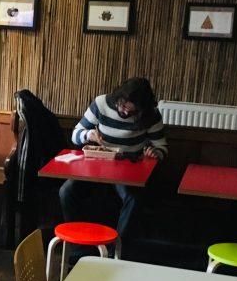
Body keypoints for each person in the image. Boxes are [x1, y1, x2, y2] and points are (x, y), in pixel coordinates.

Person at [60, 77, 167, 237]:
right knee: (66, 192)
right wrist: (89, 134)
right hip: (97, 163)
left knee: (133, 199)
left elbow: (162, 148)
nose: (125, 112)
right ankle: (79, 245)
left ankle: (116, 250)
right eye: (123, 106)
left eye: (132, 111)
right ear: (119, 97)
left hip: (127, 166)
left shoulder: (150, 114)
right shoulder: (101, 103)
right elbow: (75, 135)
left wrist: (155, 154)